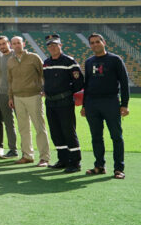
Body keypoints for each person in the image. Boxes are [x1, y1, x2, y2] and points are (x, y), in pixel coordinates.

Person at [82, 33, 130, 179]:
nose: (95, 44)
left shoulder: (115, 59)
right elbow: (87, 85)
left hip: (110, 102)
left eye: (97, 41)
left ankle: (118, 168)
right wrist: (84, 105)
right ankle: (99, 166)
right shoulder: (89, 62)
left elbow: (124, 82)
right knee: (96, 137)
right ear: (90, 45)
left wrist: (124, 104)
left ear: (104, 43)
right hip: (92, 103)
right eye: (92, 43)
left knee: (116, 136)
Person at [42, 34, 84, 173]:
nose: (52, 47)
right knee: (56, 132)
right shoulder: (46, 62)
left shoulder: (69, 61)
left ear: (60, 46)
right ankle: (63, 159)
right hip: (50, 102)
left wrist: (67, 93)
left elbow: (79, 82)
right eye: (50, 45)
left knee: (68, 131)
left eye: (55, 45)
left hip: (65, 101)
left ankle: (75, 162)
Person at [7, 36, 49, 167]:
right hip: (18, 98)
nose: (16, 45)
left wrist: (45, 89)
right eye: (14, 43)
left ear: (23, 44)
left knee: (39, 128)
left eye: (18, 43)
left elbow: (44, 74)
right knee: (23, 128)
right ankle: (27, 155)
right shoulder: (10, 61)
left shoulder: (34, 57)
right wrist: (10, 97)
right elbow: (10, 80)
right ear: (11, 45)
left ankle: (44, 158)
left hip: (33, 96)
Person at [0, 36, 18, 158]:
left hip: (17, 94)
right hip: (3, 94)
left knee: (23, 123)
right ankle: (13, 150)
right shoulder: (0, 58)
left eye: (4, 43)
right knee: (8, 123)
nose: (2, 46)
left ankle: (27, 151)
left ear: (9, 43)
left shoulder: (16, 56)